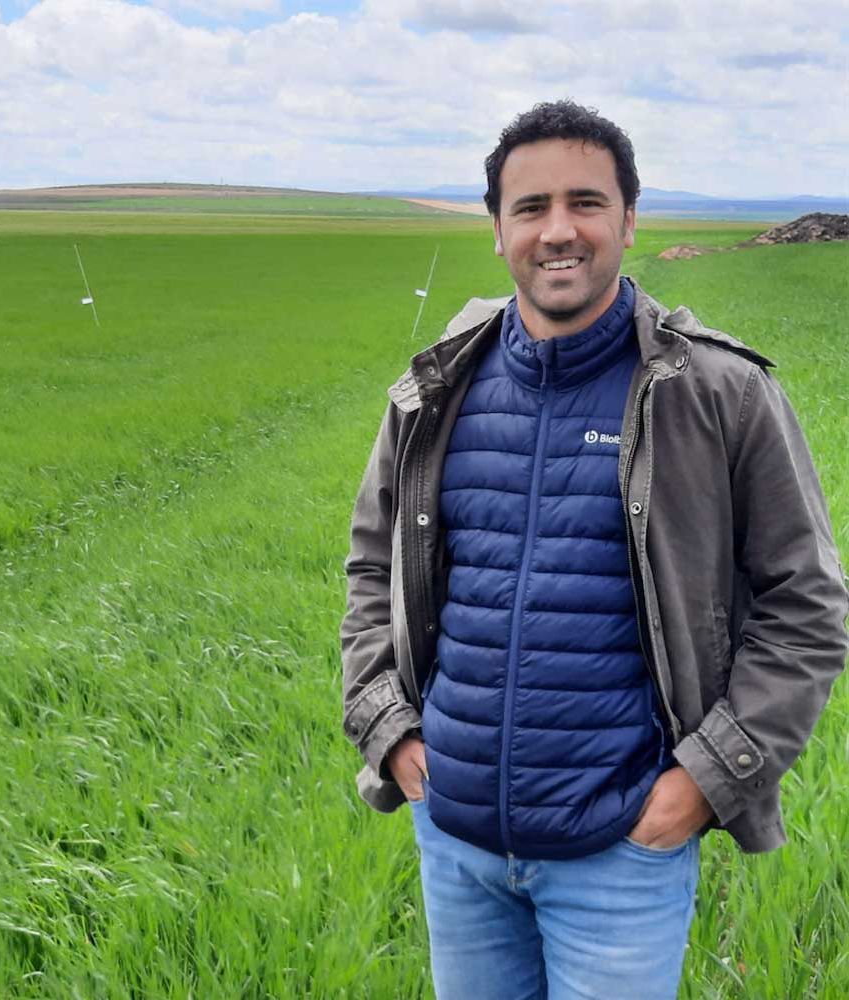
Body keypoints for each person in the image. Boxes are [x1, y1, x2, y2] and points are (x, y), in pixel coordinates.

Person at [339, 100, 848, 1000]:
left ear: (630, 219)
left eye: (586, 202)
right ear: (498, 229)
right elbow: (374, 565)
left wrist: (704, 782)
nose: (558, 230)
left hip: (621, 855)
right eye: (531, 207)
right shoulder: (438, 386)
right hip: (456, 842)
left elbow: (806, 605)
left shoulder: (716, 392)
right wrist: (388, 727)